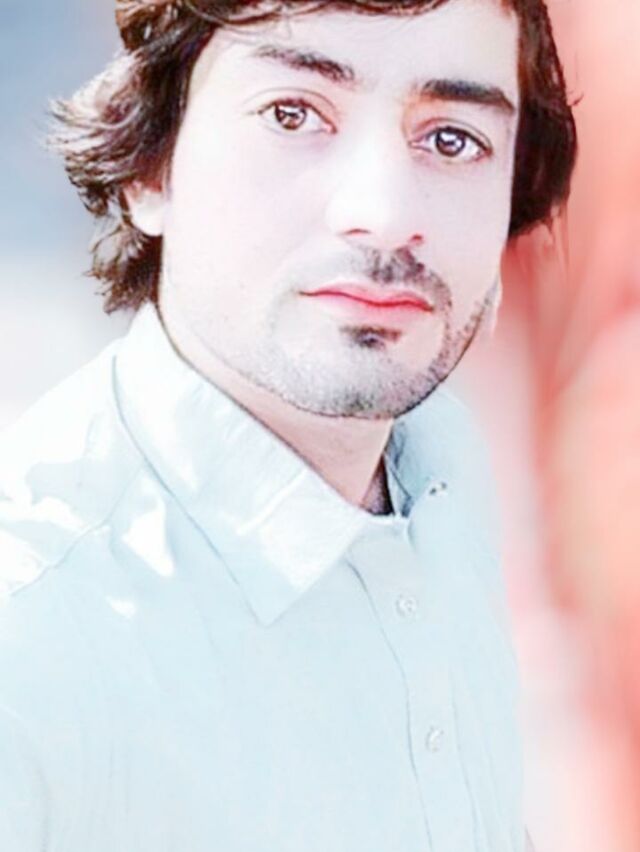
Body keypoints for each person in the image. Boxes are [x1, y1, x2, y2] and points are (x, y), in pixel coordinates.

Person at [0, 1, 575, 849]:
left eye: (453, 140)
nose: (384, 212)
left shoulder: (441, 470)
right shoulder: (35, 635)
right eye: (294, 115)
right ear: (152, 166)